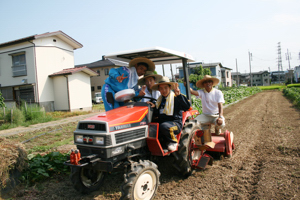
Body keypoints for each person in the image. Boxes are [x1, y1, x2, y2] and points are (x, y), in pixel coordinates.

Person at [147, 77, 191, 151]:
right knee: (150, 126)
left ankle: (173, 142)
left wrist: (179, 95)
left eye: (165, 88)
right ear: (159, 90)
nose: (163, 90)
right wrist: (153, 107)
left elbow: (186, 106)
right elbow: (157, 113)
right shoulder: (159, 101)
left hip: (175, 124)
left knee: (164, 126)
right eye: (161, 88)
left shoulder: (176, 98)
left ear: (170, 87)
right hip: (163, 123)